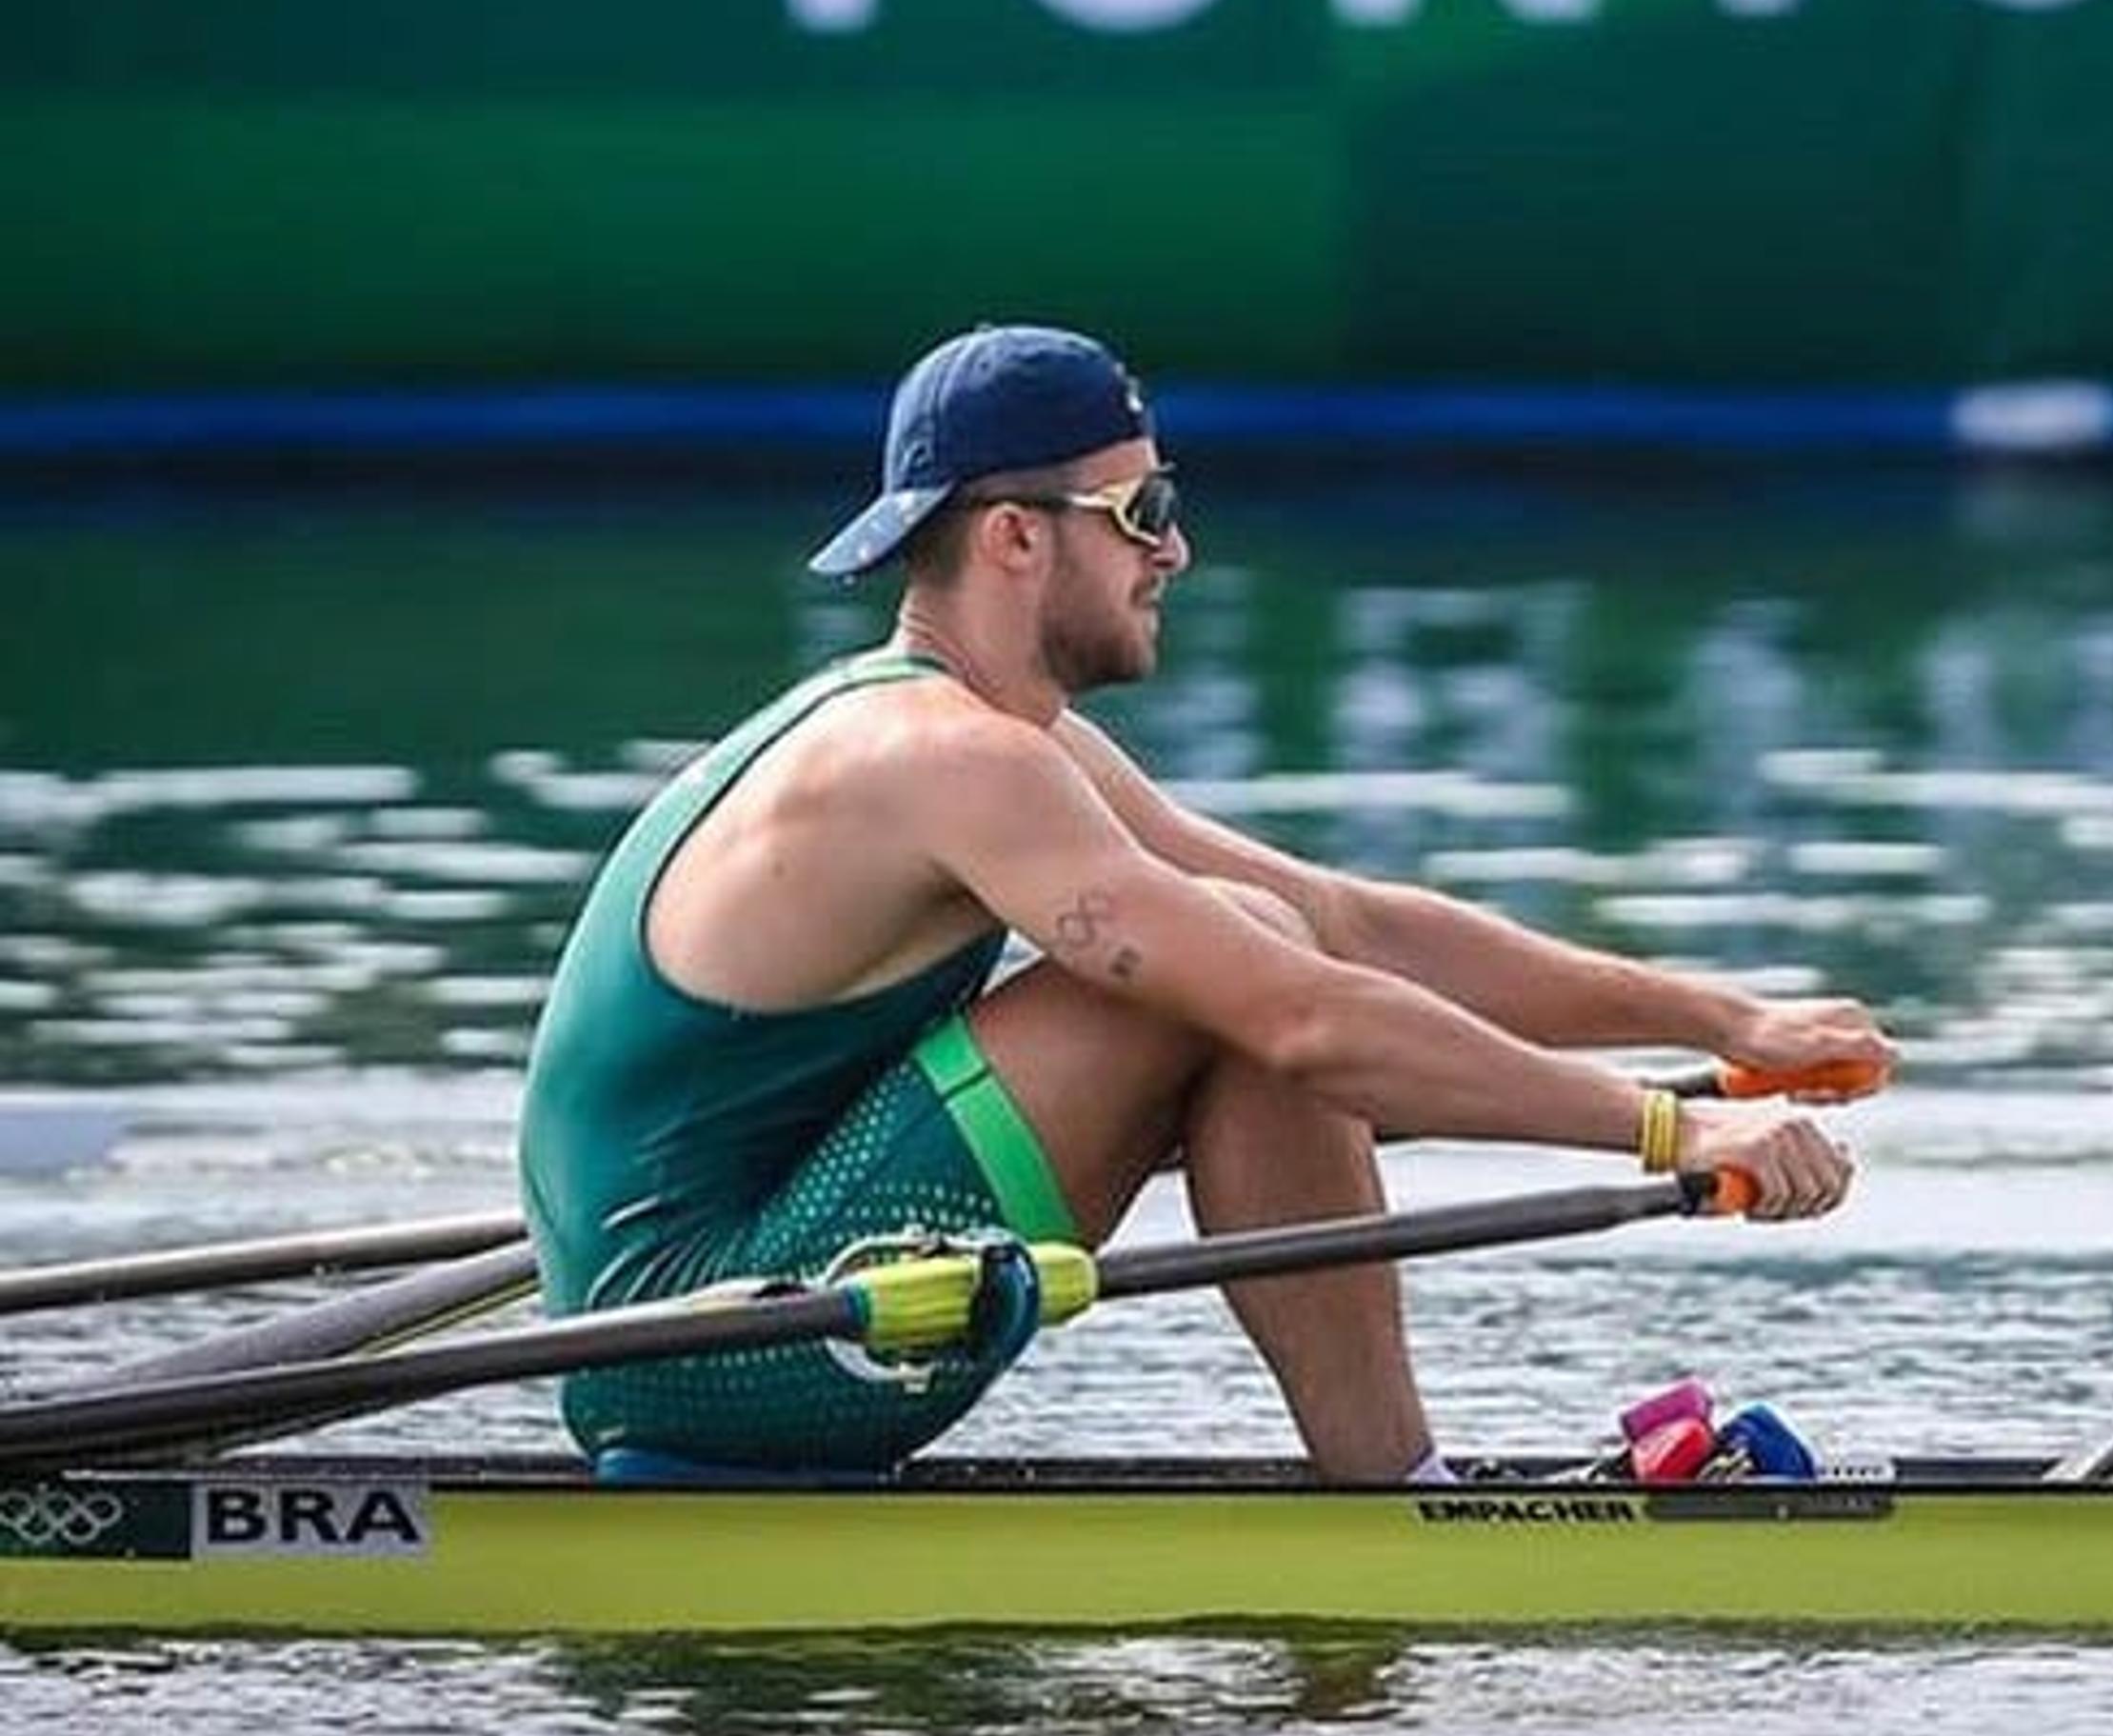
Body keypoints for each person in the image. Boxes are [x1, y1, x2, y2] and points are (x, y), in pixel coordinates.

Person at [517, 324, 1888, 1480]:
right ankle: (1400, 1507)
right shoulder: (944, 760)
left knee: (1260, 944)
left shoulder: (997, 740)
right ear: (1011, 537)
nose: (1176, 552)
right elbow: (1299, 1010)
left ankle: (1396, 1494)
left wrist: (1728, 1016)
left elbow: (1347, 923)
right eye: (1144, 514)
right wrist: (1675, 1126)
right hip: (700, 1351)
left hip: (742, 1298)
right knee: (1246, 987)